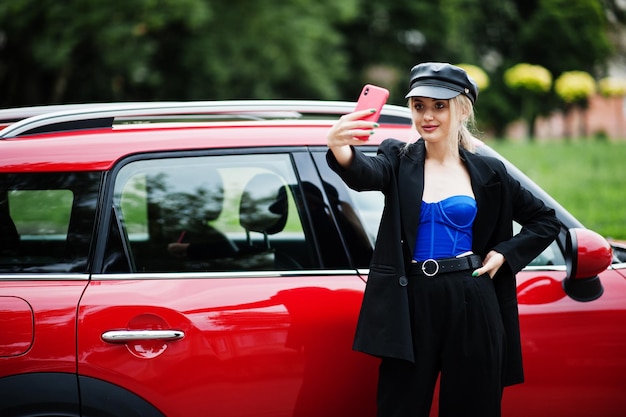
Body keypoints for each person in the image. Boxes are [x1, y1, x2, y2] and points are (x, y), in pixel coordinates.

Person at [326, 62, 560, 417]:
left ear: (462, 108)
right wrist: (340, 147)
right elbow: (364, 173)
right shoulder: (398, 158)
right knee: (399, 406)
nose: (428, 116)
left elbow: (545, 220)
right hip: (411, 300)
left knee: (473, 406)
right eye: (419, 106)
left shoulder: (488, 170)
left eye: (439, 106)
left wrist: (504, 254)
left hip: (471, 296)